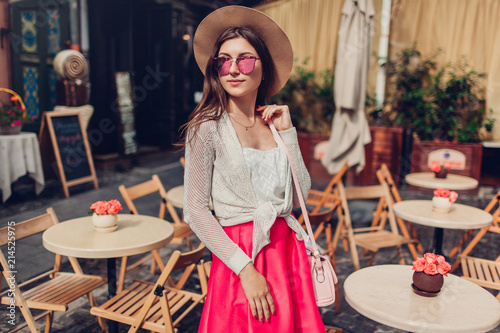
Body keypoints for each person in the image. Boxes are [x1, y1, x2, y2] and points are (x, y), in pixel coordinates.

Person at [182, 6, 326, 333]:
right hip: (240, 256)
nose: (233, 69)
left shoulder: (273, 125)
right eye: (223, 61)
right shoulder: (206, 128)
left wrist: (289, 135)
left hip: (286, 251)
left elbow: (299, 196)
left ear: (264, 68)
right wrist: (245, 270)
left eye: (245, 59)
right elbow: (194, 210)